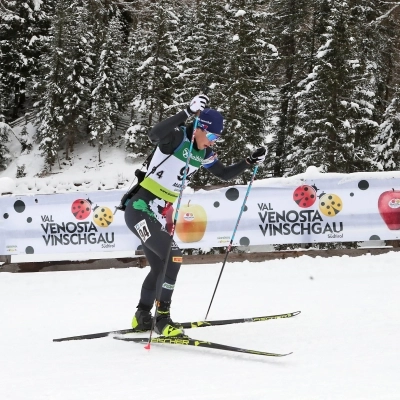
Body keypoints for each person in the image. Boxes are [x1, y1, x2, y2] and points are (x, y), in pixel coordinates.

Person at [124, 94, 266, 337]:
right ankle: (163, 320)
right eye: (211, 136)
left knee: (159, 267)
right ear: (200, 128)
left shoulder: (203, 153)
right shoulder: (177, 137)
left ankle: (142, 317)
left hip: (156, 215)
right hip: (139, 209)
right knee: (174, 257)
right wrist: (186, 112)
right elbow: (154, 135)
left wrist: (248, 161)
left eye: (216, 138)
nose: (212, 142)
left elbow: (223, 174)